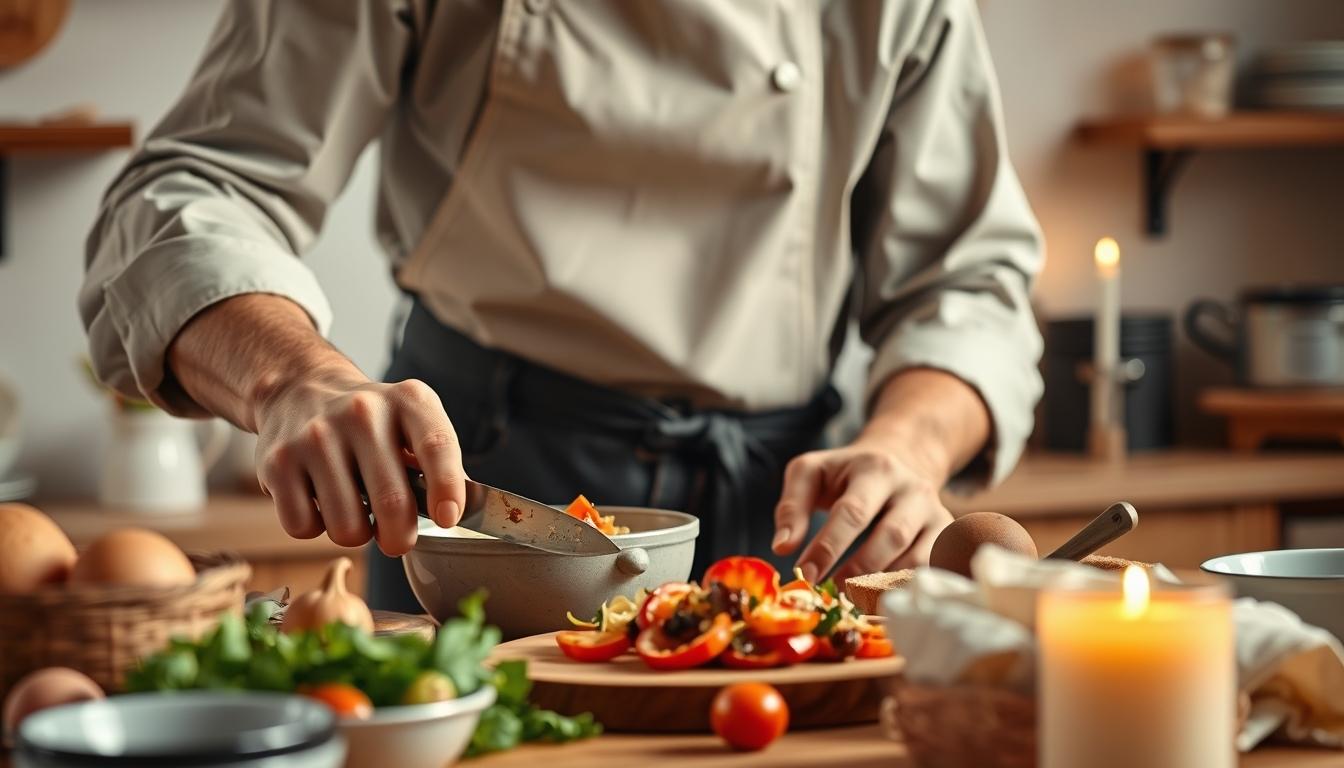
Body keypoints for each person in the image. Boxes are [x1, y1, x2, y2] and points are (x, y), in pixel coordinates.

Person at [81, 0, 1043, 612]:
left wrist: (911, 447)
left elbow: (968, 284)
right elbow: (192, 190)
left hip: (792, 518)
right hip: (482, 501)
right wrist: (296, 376)